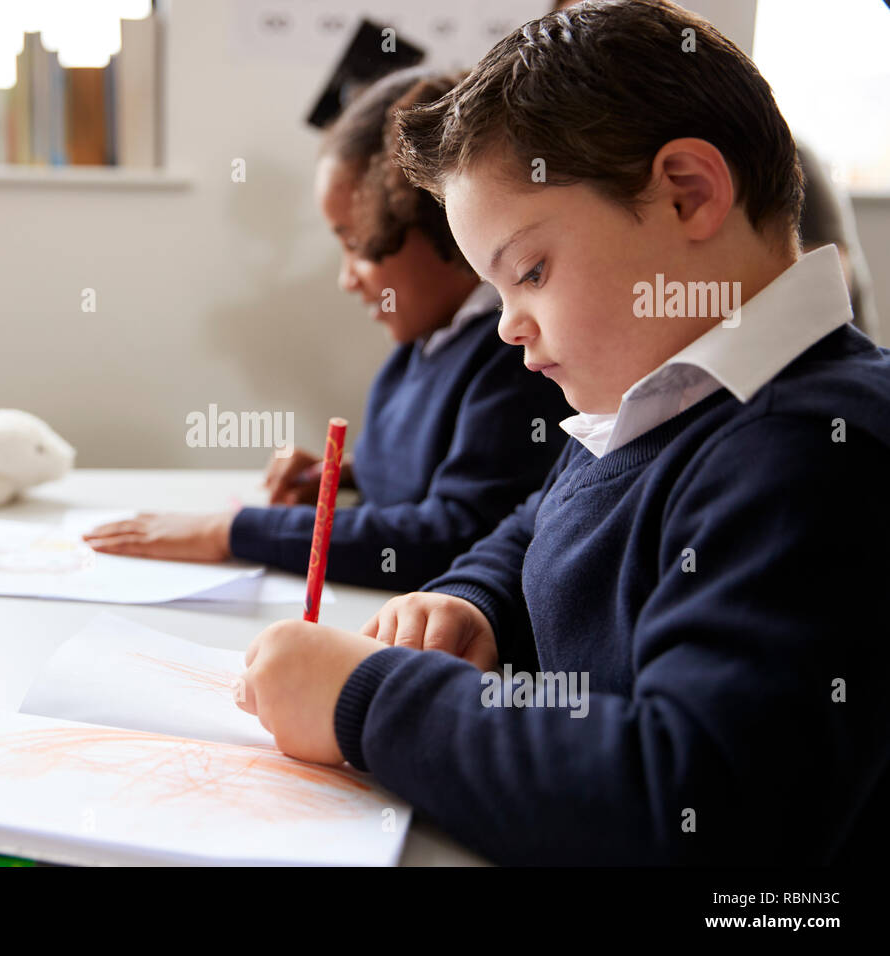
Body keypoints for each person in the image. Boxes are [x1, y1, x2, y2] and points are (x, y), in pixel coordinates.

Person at [236, 0, 890, 865]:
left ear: (687, 193)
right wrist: (474, 604)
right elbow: (541, 519)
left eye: (531, 272)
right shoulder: (663, 399)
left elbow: (691, 797)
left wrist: (370, 701)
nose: (508, 327)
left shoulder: (808, 450)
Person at [84, 69, 570, 591]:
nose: (346, 279)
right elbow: (426, 472)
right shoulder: (423, 346)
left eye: (357, 244)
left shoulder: (513, 357)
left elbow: (450, 534)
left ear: (436, 219)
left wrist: (233, 530)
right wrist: (346, 475)